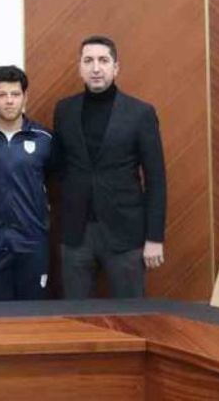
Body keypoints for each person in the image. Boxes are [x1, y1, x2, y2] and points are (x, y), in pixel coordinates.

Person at [53, 35, 166, 299]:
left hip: (126, 233)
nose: (96, 68)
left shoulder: (141, 113)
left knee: (131, 315)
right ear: (80, 67)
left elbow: (156, 179)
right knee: (76, 315)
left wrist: (155, 238)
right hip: (76, 233)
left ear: (116, 67)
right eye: (88, 60)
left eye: (103, 60)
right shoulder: (64, 110)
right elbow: (60, 166)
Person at [0, 65, 56, 301]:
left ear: (25, 97)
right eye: (2, 95)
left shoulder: (45, 138)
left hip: (32, 242)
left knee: (33, 313)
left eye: (15, 94)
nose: (9, 101)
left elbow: (54, 180)